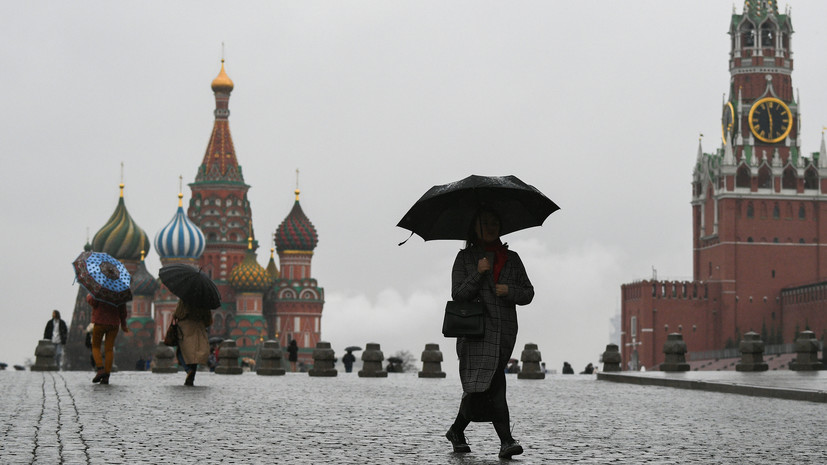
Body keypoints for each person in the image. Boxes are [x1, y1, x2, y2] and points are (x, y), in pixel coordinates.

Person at [445, 209, 534, 459]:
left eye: (495, 222)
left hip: (504, 333)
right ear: (475, 227)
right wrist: (479, 272)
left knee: (479, 389)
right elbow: (458, 294)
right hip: (475, 333)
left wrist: (510, 291)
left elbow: (528, 293)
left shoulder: (512, 259)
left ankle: (456, 430)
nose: (491, 227)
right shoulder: (465, 258)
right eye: (485, 223)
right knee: (495, 385)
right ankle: (506, 441)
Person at [87, 294, 129, 384]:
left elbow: (92, 302)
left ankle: (100, 369)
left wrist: (89, 296)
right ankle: (106, 375)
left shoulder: (100, 289)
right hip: (114, 323)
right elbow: (123, 310)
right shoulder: (119, 292)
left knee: (95, 346)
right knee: (109, 349)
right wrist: (124, 324)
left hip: (100, 322)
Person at [173, 300, 213, 386]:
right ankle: (191, 376)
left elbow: (178, 313)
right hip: (198, 327)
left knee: (182, 351)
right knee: (195, 352)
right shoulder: (203, 301)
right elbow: (208, 318)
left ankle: (188, 370)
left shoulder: (184, 299)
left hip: (185, 327)